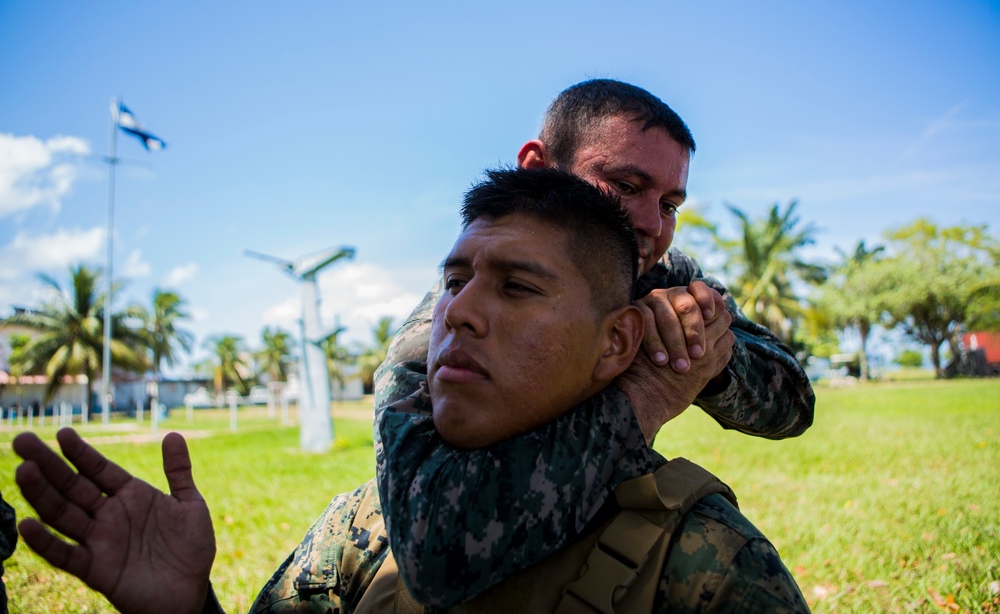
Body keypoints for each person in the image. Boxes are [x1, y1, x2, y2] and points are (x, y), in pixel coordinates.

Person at [12, 168, 809, 613]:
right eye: (455, 281)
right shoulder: (367, 522)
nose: (459, 313)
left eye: (517, 288)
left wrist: (691, 347)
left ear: (618, 340)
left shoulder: (706, 565)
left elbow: (789, 396)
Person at [373, 79, 815, 606]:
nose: (652, 225)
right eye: (626, 187)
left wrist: (701, 349)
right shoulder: (449, 321)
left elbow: (792, 404)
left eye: (671, 204)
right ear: (537, 168)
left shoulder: (664, 276)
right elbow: (439, 549)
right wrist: (646, 390)